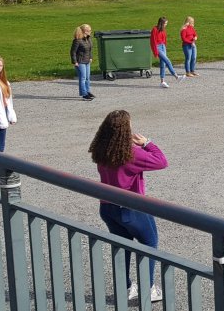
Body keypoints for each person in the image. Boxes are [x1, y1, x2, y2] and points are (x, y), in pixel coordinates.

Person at [90, 110, 167, 302]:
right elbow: (162, 161)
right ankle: (148, 288)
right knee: (149, 244)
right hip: (131, 208)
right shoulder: (131, 154)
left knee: (121, 247)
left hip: (108, 207)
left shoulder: (101, 150)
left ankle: (124, 288)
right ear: (126, 130)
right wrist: (147, 143)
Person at [150, 17, 184, 88]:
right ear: (161, 23)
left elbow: (164, 39)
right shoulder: (154, 29)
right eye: (165, 23)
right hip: (158, 47)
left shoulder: (163, 29)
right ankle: (176, 77)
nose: (166, 25)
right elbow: (153, 41)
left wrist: (164, 47)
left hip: (163, 47)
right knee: (167, 61)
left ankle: (162, 82)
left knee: (163, 64)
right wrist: (155, 52)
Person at [71, 24, 94, 101]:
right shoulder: (77, 40)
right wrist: (75, 62)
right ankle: (84, 94)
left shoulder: (88, 39)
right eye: (89, 30)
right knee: (83, 78)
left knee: (87, 78)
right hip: (80, 62)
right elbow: (73, 52)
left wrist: (90, 57)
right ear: (85, 31)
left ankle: (87, 91)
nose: (90, 31)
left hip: (87, 61)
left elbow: (90, 49)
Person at [0, 56, 16, 153]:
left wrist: (11, 115)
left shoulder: (5, 82)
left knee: (1, 145)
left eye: (0, 65)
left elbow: (8, 101)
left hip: (3, 112)